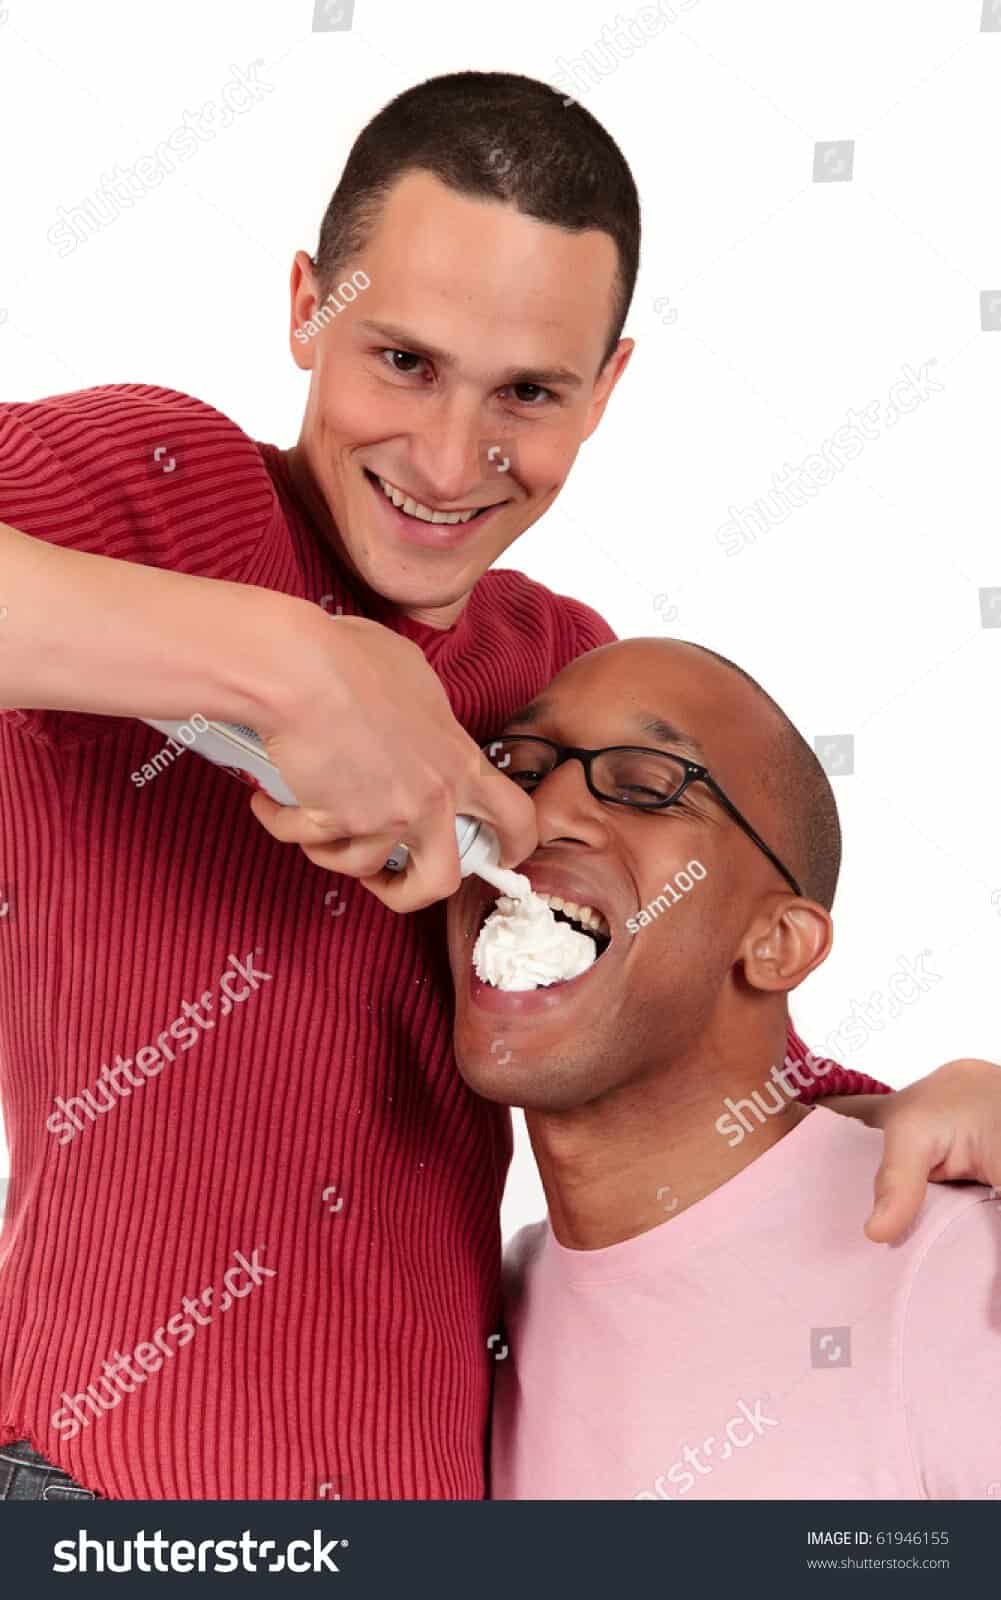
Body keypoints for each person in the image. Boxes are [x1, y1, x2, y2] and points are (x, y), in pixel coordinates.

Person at [0, 72, 995, 1502]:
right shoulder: (159, 495)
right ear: (307, 307)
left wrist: (911, 1108)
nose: (449, 459)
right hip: (103, 1501)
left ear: (605, 391)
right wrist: (284, 662)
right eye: (403, 360)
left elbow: (676, 1033)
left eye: (526, 392)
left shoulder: (556, 676)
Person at [446, 638, 1001, 1499]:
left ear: (778, 943)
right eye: (515, 769)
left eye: (646, 787)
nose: (537, 814)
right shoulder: (482, 1320)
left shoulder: (956, 1271)